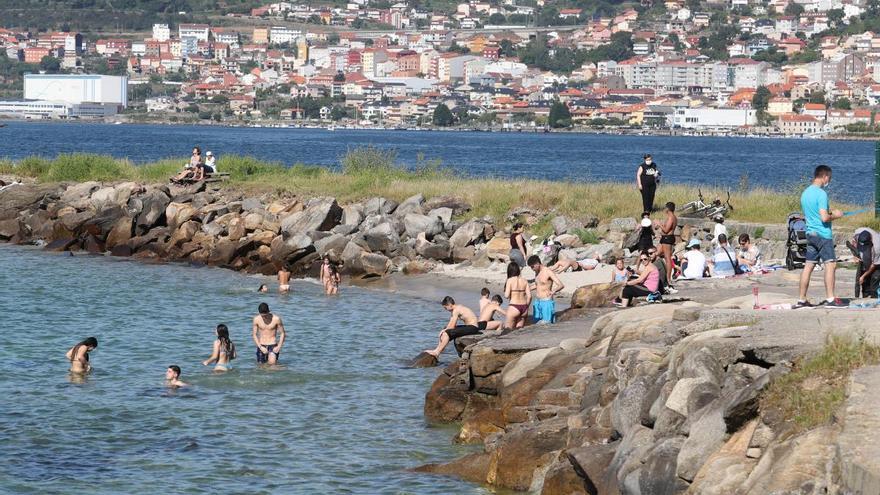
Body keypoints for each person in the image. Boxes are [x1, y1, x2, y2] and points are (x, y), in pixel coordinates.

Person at [796, 165, 845, 308]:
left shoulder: (805, 193)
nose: (828, 180)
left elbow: (812, 215)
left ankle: (801, 299)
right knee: (830, 264)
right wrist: (836, 215)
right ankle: (830, 299)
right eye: (829, 178)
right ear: (825, 177)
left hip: (810, 233)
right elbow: (824, 218)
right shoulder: (821, 193)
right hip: (823, 235)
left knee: (809, 266)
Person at [529, 255, 564, 324]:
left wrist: (553, 291)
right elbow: (539, 285)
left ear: (537, 264)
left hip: (546, 301)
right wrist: (527, 289)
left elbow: (561, 285)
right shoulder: (537, 272)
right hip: (537, 302)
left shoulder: (548, 272)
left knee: (547, 324)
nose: (532, 269)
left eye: (532, 267)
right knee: (536, 324)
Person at [851, 227, 880, 297]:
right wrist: (855, 255)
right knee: (865, 283)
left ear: (870, 240)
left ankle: (874, 297)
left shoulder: (877, 247)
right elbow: (852, 244)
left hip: (878, 262)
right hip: (868, 258)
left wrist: (863, 276)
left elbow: (874, 265)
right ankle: (865, 296)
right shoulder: (857, 233)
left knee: (875, 279)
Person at [656, 202, 678, 289]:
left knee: (667, 258)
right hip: (665, 238)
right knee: (656, 253)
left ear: (668, 209)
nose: (664, 209)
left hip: (667, 239)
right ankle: (655, 272)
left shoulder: (671, 217)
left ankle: (668, 278)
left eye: (665, 208)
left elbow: (665, 230)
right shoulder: (672, 217)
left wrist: (659, 223)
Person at [504, 262, 531, 329]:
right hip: (524, 308)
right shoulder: (524, 280)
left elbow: (506, 295)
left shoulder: (509, 280)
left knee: (508, 330)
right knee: (518, 332)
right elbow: (529, 296)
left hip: (514, 306)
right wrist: (526, 305)